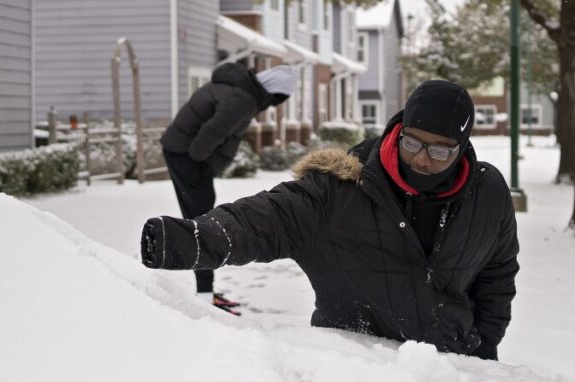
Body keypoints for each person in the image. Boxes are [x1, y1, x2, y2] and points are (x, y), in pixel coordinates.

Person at [141, 80, 519, 361]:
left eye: (439, 151)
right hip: (354, 374)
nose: (422, 159)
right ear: (399, 130)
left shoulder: (487, 195)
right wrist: (188, 239)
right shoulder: (341, 188)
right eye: (413, 143)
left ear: (462, 145)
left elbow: (497, 276)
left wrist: (483, 346)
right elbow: (265, 220)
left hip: (454, 378)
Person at [159, 63, 296, 315]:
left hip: (181, 153)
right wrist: (203, 162)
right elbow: (213, 131)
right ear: (273, 93)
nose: (273, 106)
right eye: (278, 100)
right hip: (187, 158)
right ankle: (205, 295)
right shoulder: (243, 98)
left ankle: (206, 292)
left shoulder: (238, 89)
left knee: (199, 219)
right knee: (201, 223)